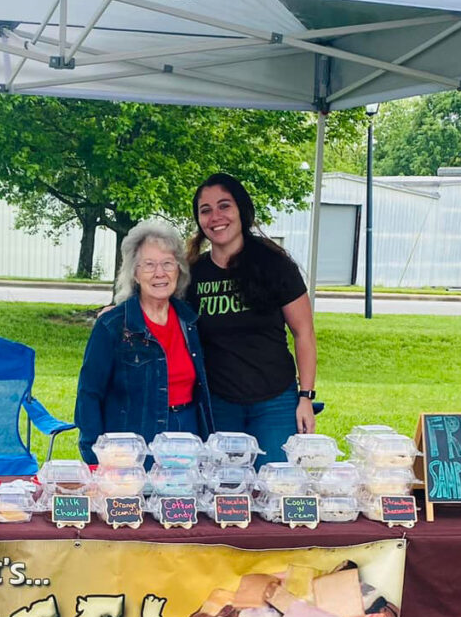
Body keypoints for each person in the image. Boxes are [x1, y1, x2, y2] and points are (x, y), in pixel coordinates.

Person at [186, 172, 317, 465]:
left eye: (224, 206)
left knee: (274, 489)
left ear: (241, 210)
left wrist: (305, 397)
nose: (215, 217)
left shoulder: (275, 265)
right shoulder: (192, 274)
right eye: (205, 210)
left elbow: (304, 333)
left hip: (274, 402)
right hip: (218, 404)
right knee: (225, 491)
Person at [75, 220, 213, 465]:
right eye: (148, 265)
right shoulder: (113, 325)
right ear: (135, 273)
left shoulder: (190, 321)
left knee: (182, 503)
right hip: (132, 442)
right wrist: (94, 456)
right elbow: (89, 394)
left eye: (167, 263)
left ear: (179, 269)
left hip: (187, 438)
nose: (159, 273)